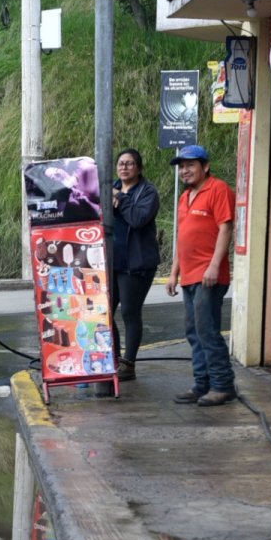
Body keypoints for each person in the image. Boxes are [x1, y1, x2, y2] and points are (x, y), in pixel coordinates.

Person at [165, 144, 237, 406]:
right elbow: (183, 240)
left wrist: (215, 266)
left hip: (208, 274)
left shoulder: (217, 189)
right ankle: (202, 384)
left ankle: (222, 385)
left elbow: (225, 228)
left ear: (205, 166)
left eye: (190, 165)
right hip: (189, 275)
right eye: (181, 167)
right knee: (193, 330)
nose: (185, 170)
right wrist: (174, 274)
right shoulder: (185, 197)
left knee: (207, 330)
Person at [109, 148, 160, 381]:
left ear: (139, 168)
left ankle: (128, 364)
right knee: (104, 312)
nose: (124, 167)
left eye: (130, 163)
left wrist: (120, 199)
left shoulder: (148, 192)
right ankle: (113, 358)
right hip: (111, 261)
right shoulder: (110, 189)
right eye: (121, 163)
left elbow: (138, 220)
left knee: (130, 312)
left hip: (137, 262)